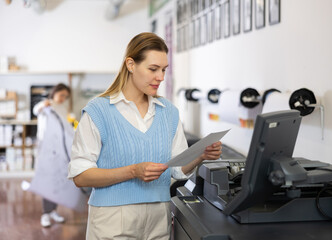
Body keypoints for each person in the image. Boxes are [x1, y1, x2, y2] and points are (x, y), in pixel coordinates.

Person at [68, 32, 222, 239]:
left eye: (164, 70)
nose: (160, 77)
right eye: (153, 69)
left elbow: (177, 169)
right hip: (112, 218)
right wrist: (133, 171)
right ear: (131, 65)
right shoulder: (99, 111)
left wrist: (201, 155)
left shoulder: (168, 112)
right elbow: (80, 176)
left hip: (159, 215)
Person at [33, 83, 71, 227]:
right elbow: (36, 110)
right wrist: (44, 105)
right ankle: (45, 214)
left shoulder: (62, 108)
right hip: (46, 150)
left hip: (59, 149)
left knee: (57, 180)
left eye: (65, 96)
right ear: (55, 93)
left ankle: (53, 210)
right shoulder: (46, 105)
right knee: (47, 181)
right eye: (61, 95)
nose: (63, 98)